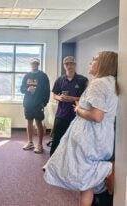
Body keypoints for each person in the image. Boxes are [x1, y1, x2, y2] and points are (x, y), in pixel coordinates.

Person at [43, 51, 119, 206]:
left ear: (104, 63)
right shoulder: (110, 81)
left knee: (85, 173)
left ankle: (108, 170)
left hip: (90, 137)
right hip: (99, 135)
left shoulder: (97, 83)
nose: (90, 61)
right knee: (86, 181)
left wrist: (78, 109)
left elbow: (97, 116)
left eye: (95, 59)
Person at [50, 56, 88, 156]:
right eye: (67, 64)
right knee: (57, 139)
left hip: (77, 115)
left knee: (74, 141)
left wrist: (73, 99)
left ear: (75, 65)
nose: (69, 65)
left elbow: (86, 98)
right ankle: (51, 161)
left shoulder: (82, 80)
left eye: (71, 63)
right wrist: (59, 98)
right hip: (61, 114)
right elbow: (54, 94)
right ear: (64, 66)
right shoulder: (60, 79)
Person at [20, 58, 50, 154]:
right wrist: (28, 89)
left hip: (38, 104)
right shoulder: (27, 75)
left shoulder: (43, 76)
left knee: (38, 123)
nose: (34, 65)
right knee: (29, 122)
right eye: (32, 63)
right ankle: (30, 142)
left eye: (35, 63)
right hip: (28, 103)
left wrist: (44, 103)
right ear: (30, 64)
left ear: (38, 64)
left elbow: (47, 90)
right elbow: (21, 89)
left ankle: (40, 145)